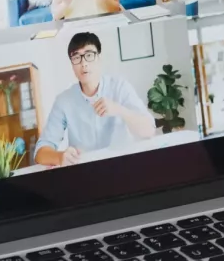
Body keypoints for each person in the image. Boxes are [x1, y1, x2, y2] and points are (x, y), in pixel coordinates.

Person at [35, 32, 157, 166]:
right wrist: (59, 157)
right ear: (72, 65)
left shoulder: (120, 87)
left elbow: (149, 131)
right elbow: (40, 153)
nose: (83, 63)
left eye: (89, 55)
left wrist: (119, 110)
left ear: (99, 58)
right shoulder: (64, 101)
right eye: (76, 57)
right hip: (86, 173)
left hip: (123, 167)